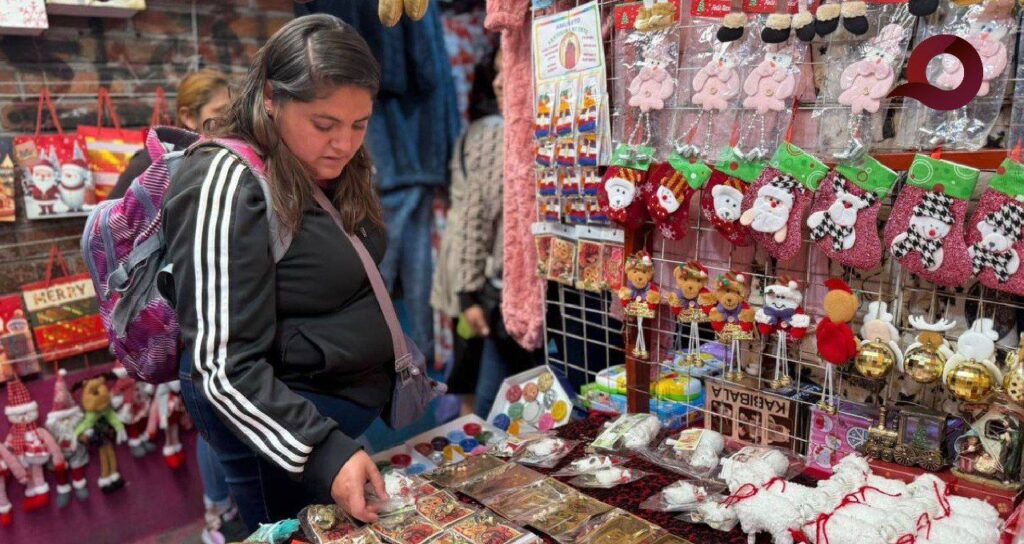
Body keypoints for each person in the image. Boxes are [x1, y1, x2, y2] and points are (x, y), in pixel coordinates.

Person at [162, 15, 393, 530]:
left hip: (328, 420)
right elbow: (221, 366)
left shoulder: (333, 165)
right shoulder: (223, 180)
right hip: (277, 437)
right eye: (325, 124)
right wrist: (323, 452)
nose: (345, 143)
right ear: (270, 98)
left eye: (360, 124)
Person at [107, 69, 242, 544]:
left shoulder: (227, 155)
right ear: (186, 116)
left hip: (226, 306)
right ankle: (217, 515)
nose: (224, 126)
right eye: (214, 117)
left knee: (224, 416)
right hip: (179, 314)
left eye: (231, 116)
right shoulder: (153, 162)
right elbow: (115, 234)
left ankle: (224, 514)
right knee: (213, 417)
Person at [431, 49, 538, 418]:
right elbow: (475, 217)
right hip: (492, 288)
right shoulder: (494, 135)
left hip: (522, 294)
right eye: (495, 71)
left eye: (505, 70)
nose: (498, 80)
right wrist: (467, 292)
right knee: (485, 399)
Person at [108, 69, 231, 200]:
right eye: (221, 111)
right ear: (188, 117)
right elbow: (109, 218)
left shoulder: (228, 159)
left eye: (232, 110)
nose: (230, 118)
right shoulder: (152, 163)